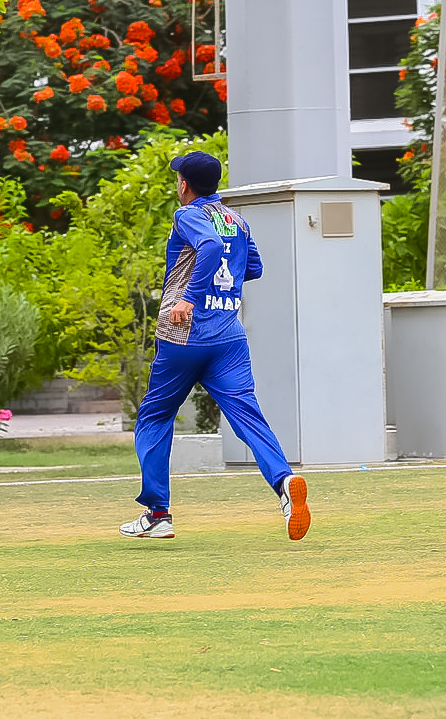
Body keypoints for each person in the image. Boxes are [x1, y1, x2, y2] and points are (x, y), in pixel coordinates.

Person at [119, 150, 310, 541]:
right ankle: (284, 482)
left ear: (184, 185)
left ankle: (158, 515)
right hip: (228, 336)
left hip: (184, 335)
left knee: (154, 418)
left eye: (178, 179)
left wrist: (189, 298)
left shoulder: (187, 215)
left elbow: (207, 246)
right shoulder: (236, 219)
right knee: (248, 416)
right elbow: (253, 267)